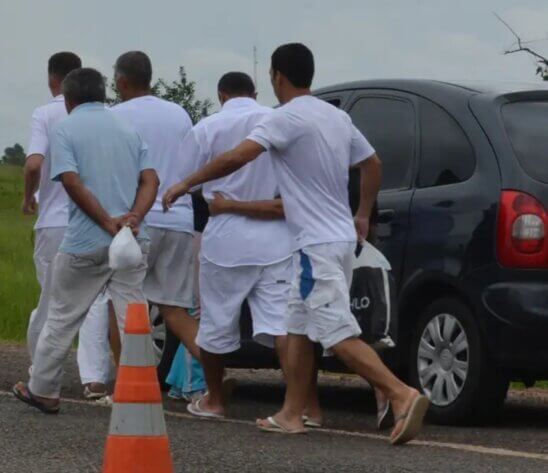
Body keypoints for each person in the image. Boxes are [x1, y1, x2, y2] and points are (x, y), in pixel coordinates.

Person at [163, 43, 429, 445]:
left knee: (335, 331)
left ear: (277, 77)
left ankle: (401, 393)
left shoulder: (284, 119)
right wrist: (361, 213)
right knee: (297, 328)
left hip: (314, 246)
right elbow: (371, 163)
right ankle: (291, 413)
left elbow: (237, 158)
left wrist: (187, 182)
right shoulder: (336, 116)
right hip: (335, 239)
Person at [12, 67, 159, 414]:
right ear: (104, 94)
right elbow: (150, 180)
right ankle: (140, 394)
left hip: (85, 241)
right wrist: (133, 217)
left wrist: (106, 221)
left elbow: (72, 182)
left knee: (62, 316)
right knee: (133, 317)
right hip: (132, 239)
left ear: (68, 99)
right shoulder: (128, 128)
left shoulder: (65, 129)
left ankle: (44, 390)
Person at [174, 72, 317, 422]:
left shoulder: (206, 128)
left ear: (221, 95)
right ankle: (302, 407)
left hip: (225, 237)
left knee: (215, 323)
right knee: (283, 327)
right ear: (255, 93)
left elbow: (185, 180)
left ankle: (215, 400)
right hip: (275, 236)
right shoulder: (278, 121)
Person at [22, 52, 114, 400]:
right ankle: (93, 378)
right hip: (97, 218)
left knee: (50, 300)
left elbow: (33, 164)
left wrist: (28, 197)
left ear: (53, 79)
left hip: (55, 221)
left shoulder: (45, 114)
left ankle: (40, 371)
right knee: (94, 301)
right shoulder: (107, 117)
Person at [109, 51, 199, 362]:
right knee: (174, 309)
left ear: (120, 81)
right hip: (180, 219)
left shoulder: (116, 115)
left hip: (138, 221)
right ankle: (215, 377)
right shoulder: (179, 114)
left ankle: (128, 381)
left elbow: (117, 171)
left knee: (122, 303)